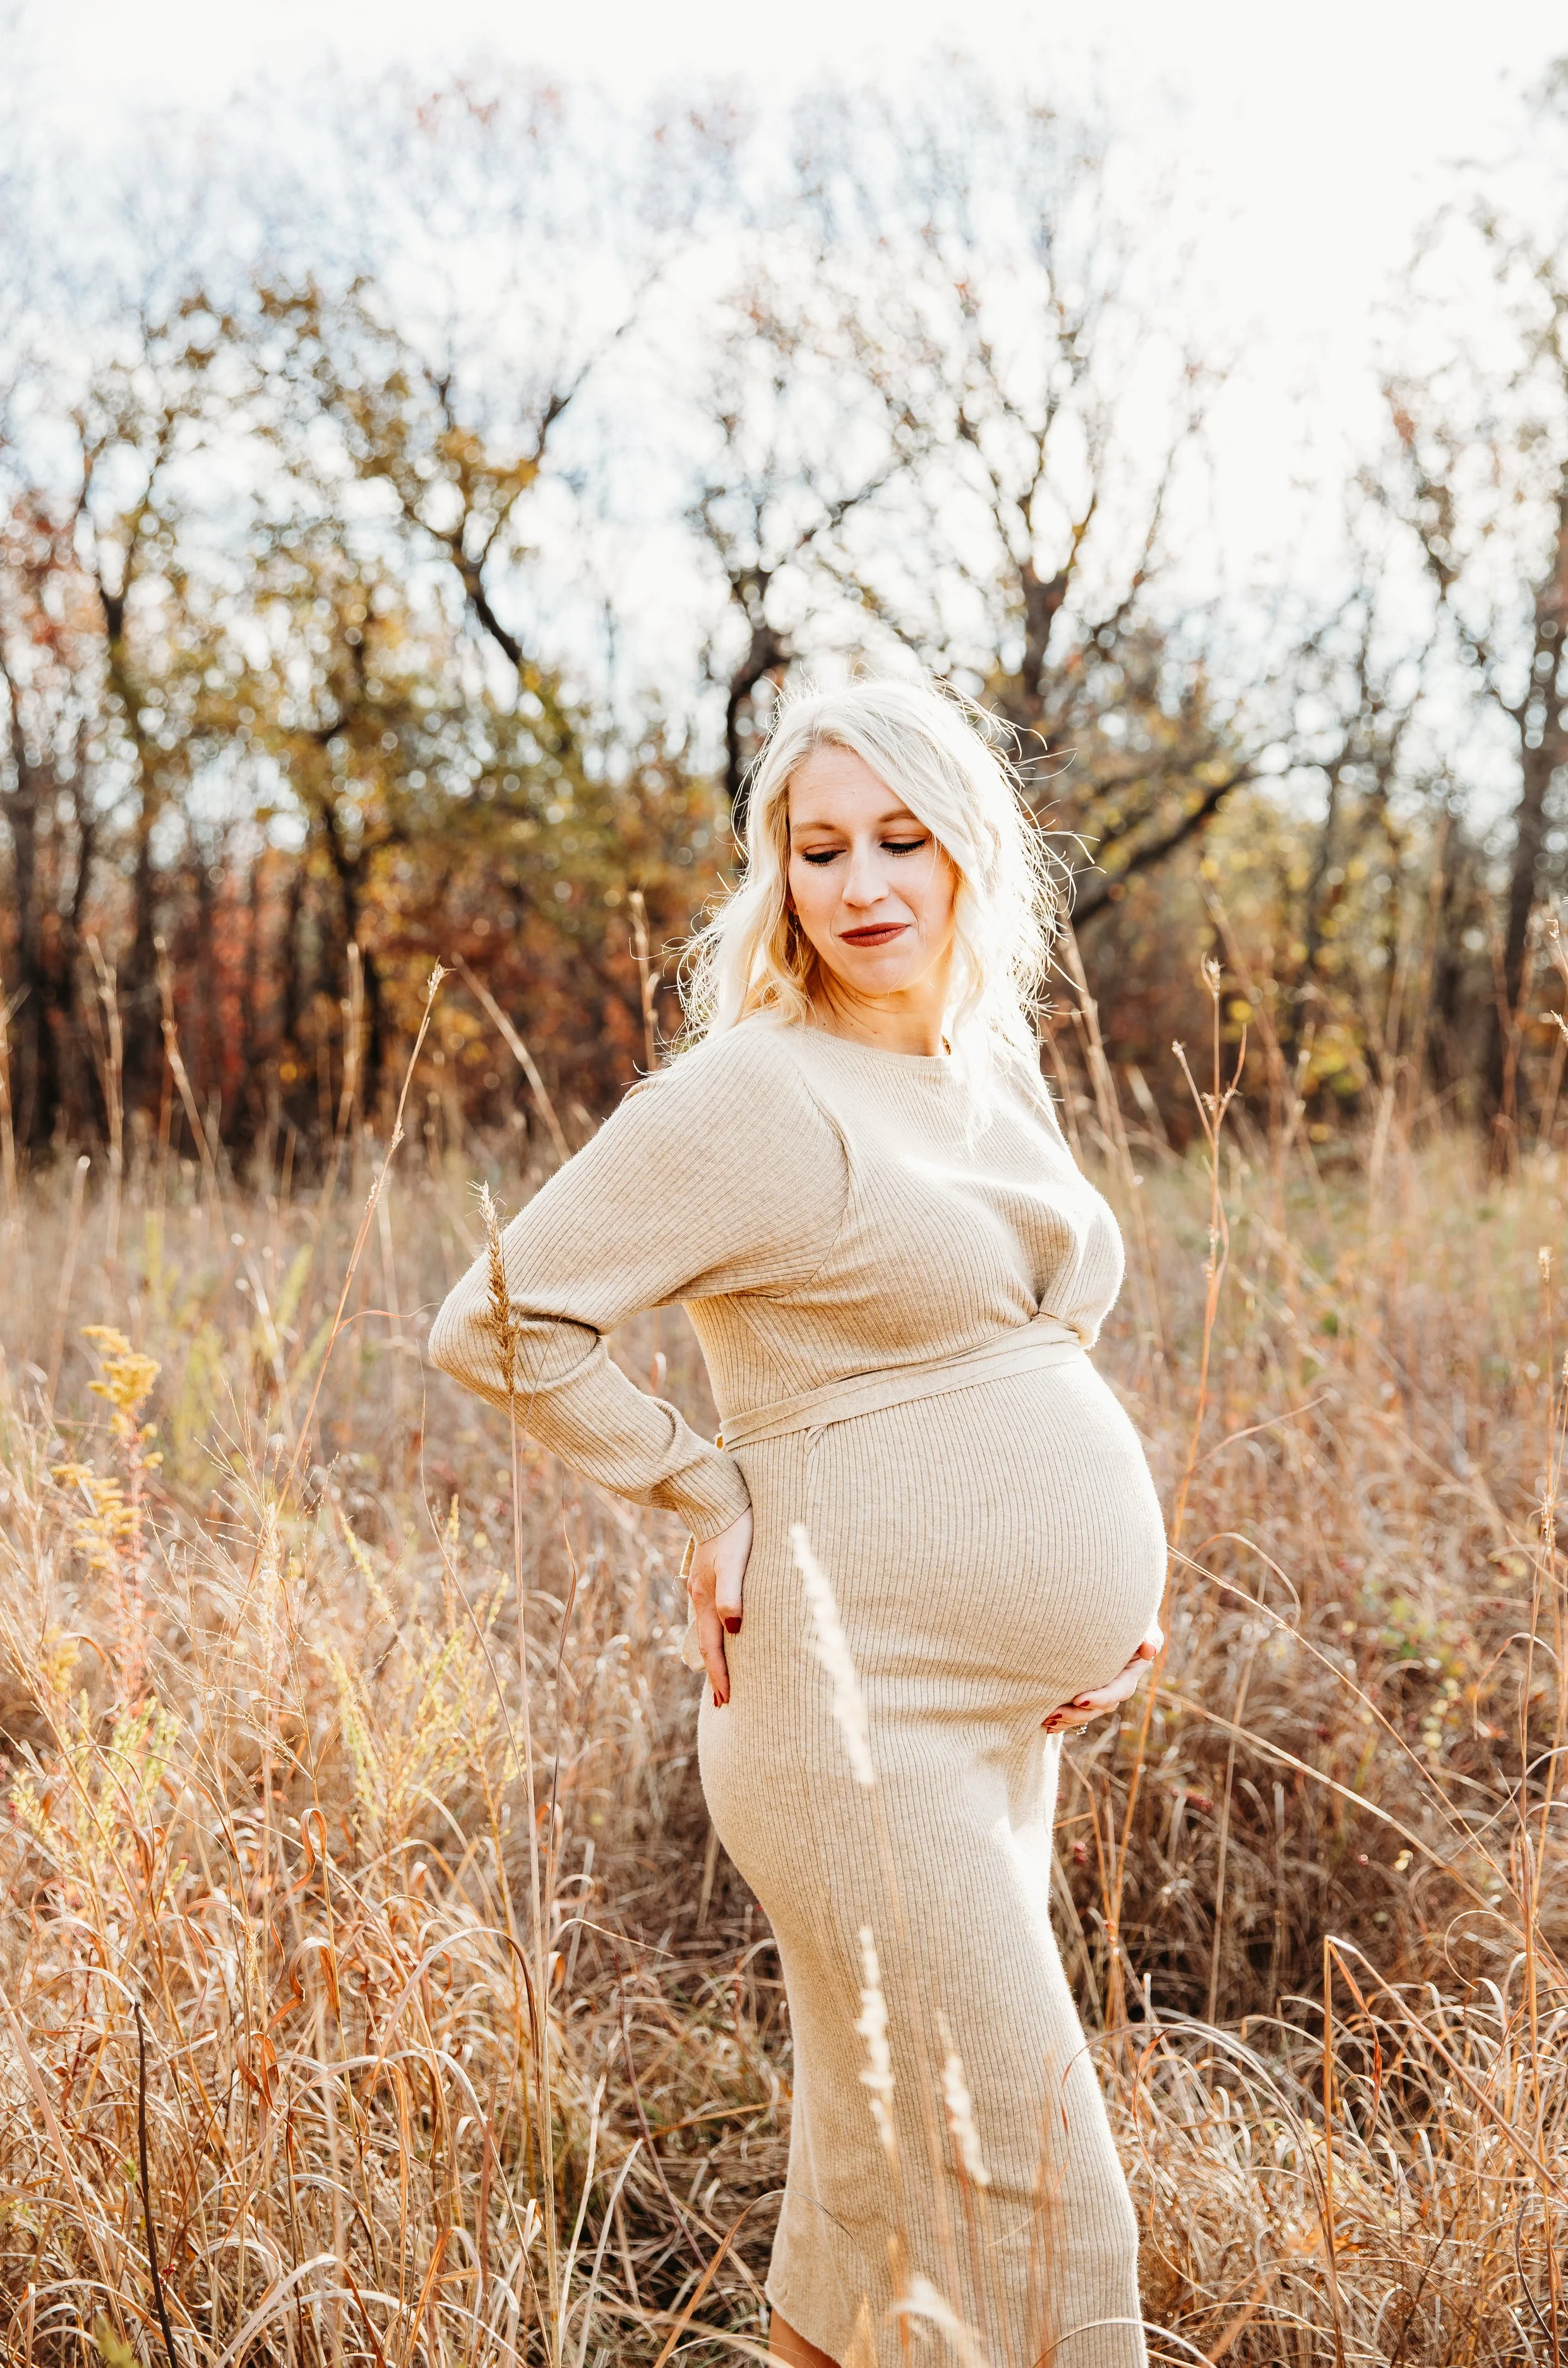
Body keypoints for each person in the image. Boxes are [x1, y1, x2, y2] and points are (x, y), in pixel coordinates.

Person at [429, 675, 1166, 2367]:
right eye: (817, 848)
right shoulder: (756, 1093)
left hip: (997, 1727)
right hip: (855, 1714)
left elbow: (1020, 1349)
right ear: (777, 872)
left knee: (872, 2206)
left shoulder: (982, 1070)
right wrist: (702, 1491)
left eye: (901, 839)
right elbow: (500, 1319)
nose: (860, 883)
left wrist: (1109, 1583)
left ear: (973, 851)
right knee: (1046, 2202)